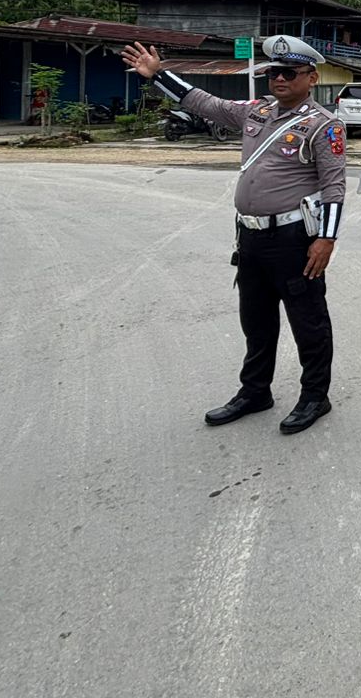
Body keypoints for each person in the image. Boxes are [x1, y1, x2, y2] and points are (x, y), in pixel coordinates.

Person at [121, 34, 347, 435]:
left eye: (288, 72)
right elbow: (205, 103)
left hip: (295, 240)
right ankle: (255, 392)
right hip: (252, 239)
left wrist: (325, 240)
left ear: (311, 77)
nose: (278, 79)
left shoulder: (323, 126)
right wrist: (159, 76)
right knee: (255, 321)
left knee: (308, 322)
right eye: (272, 72)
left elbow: (333, 186)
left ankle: (315, 395)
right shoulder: (255, 113)